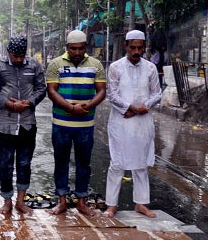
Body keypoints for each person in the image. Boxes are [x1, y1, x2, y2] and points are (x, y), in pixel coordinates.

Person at [46, 30, 107, 216]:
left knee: (84, 164)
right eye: (73, 48)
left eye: (81, 48)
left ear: (85, 47)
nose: (77, 52)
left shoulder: (96, 65)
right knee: (61, 162)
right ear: (67, 48)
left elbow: (102, 91)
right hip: (61, 124)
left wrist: (86, 106)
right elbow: (52, 91)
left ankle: (81, 201)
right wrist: (71, 108)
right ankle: (62, 201)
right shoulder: (56, 64)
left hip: (85, 125)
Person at [105, 30, 162, 218]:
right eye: (133, 48)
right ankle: (111, 205)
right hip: (121, 121)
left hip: (142, 121)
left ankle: (141, 204)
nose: (136, 51)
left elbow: (157, 93)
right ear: (126, 46)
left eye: (140, 48)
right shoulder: (115, 67)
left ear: (144, 47)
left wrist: (143, 107)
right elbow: (112, 94)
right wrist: (129, 108)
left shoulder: (151, 68)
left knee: (141, 164)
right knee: (117, 163)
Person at [0, 35, 46, 215]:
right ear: (8, 52)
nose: (19, 59)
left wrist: (28, 103)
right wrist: (10, 104)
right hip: (4, 123)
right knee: (5, 164)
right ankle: (7, 201)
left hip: (27, 123)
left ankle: (20, 201)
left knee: (24, 162)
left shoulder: (34, 65)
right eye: (15, 56)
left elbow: (41, 88)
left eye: (21, 56)